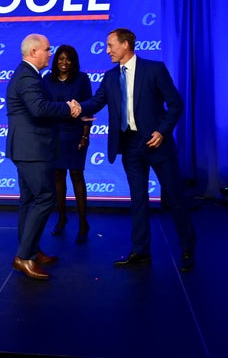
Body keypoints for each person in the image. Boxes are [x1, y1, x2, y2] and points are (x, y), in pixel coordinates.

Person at [79, 28, 196, 272]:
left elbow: (175, 104)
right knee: (138, 200)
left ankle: (187, 249)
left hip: (156, 143)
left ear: (125, 44)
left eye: (111, 45)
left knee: (174, 198)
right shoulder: (110, 77)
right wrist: (72, 107)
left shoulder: (154, 69)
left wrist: (162, 131)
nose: (107, 50)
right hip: (129, 146)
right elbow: (94, 103)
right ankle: (141, 251)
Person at [6, 33, 81, 280]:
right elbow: (38, 109)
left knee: (29, 201)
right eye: (48, 49)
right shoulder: (27, 77)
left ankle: (30, 250)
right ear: (34, 52)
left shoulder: (27, 75)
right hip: (32, 150)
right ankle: (24, 256)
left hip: (28, 149)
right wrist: (68, 109)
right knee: (45, 198)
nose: (51, 53)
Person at [43, 44, 93, 243]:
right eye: (60, 58)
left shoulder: (82, 79)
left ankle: (83, 223)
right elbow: (43, 108)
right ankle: (62, 218)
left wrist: (85, 136)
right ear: (56, 60)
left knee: (76, 176)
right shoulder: (47, 80)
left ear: (74, 61)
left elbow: (88, 110)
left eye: (68, 59)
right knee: (57, 177)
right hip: (54, 135)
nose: (64, 62)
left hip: (75, 135)